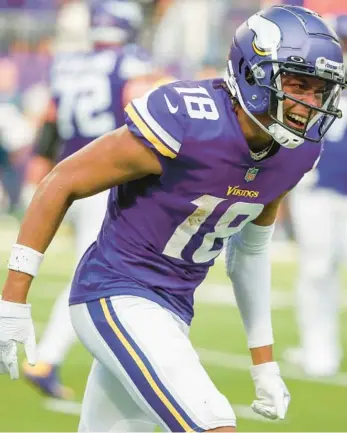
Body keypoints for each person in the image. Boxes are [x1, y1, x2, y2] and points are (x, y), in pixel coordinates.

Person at [0, 5, 345, 432]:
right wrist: (12, 302)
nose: (308, 103)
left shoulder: (298, 152)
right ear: (253, 73)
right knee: (214, 423)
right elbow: (61, 180)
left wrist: (264, 363)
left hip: (174, 309)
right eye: (297, 84)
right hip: (113, 292)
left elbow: (251, 252)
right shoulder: (188, 118)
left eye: (319, 90)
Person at [19, 0, 161, 399]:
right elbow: (143, 116)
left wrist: (40, 175)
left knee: (88, 265)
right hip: (109, 178)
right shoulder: (131, 63)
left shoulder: (67, 64)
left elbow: (49, 122)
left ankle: (55, 355)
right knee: (95, 271)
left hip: (67, 174)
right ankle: (47, 357)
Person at [284, 14, 347, 377]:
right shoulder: (318, 74)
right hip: (319, 184)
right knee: (317, 270)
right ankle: (319, 350)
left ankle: (320, 350)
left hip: (324, 185)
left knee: (317, 271)